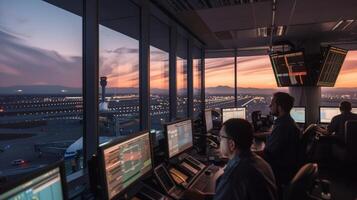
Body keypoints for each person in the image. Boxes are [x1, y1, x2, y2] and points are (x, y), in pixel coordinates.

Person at [184, 118, 278, 200]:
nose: (219, 141)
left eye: (221, 137)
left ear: (232, 144)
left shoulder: (235, 174)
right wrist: (203, 197)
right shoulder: (259, 162)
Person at [263, 92, 301, 186]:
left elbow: (268, 153)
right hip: (287, 167)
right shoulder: (287, 122)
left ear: (279, 107)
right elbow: (274, 136)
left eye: (272, 103)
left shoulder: (282, 126)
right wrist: (256, 135)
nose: (270, 105)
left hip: (278, 170)